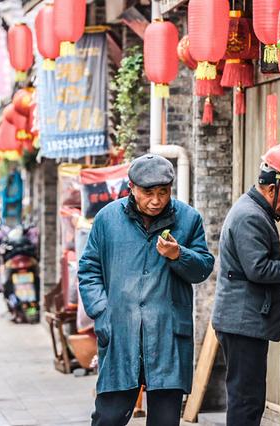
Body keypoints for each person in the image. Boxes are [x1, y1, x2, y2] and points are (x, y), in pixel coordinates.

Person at [78, 154, 215, 426]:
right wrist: (102, 312)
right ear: (131, 187)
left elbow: (203, 268)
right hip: (121, 333)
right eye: (148, 193)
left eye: (163, 193)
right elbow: (89, 270)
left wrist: (179, 255)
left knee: (165, 420)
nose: (156, 201)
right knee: (109, 417)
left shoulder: (188, 219)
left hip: (167, 335)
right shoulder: (107, 219)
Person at [212, 144, 280, 426]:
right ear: (273, 187)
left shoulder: (253, 210)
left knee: (248, 398)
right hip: (242, 323)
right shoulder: (250, 216)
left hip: (244, 322)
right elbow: (259, 269)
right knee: (246, 401)